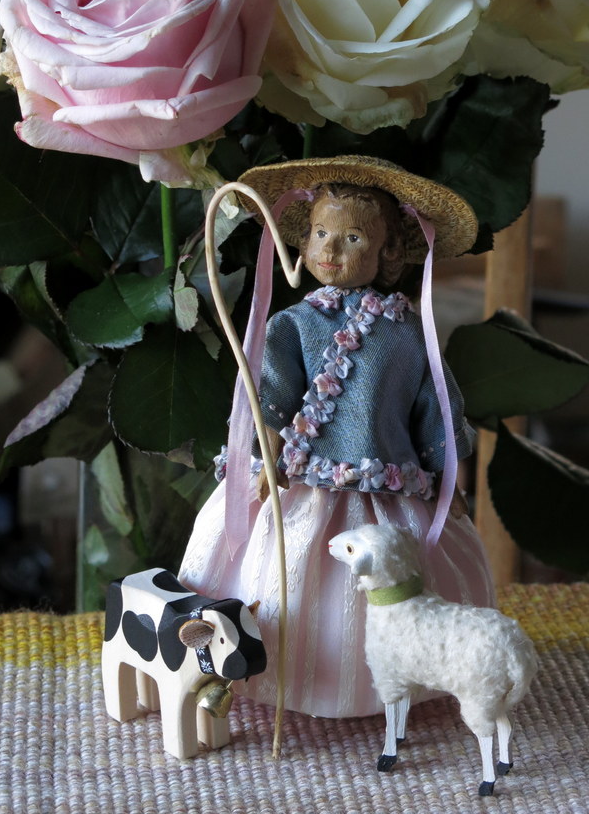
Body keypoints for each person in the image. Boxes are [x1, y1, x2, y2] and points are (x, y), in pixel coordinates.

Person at [179, 155, 495, 719]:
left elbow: (436, 409)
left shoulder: (409, 336)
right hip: (298, 487)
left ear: (387, 252)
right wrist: (268, 453)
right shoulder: (294, 324)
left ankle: (382, 680)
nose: (331, 250)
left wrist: (448, 479)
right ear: (302, 243)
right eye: (321, 234)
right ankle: (272, 671)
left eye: (352, 238)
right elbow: (270, 394)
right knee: (283, 575)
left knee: (382, 585)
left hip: (386, 493)